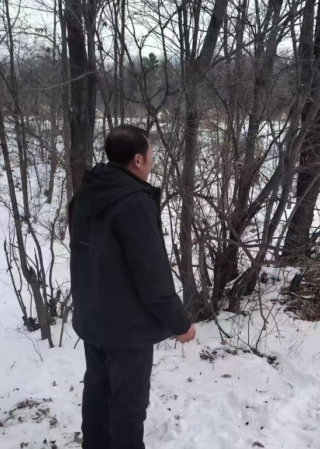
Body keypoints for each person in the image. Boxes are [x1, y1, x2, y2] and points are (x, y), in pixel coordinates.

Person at [69, 125, 196, 449]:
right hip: (127, 329)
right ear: (138, 160)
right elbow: (152, 275)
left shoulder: (87, 192)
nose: (153, 159)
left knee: (97, 394)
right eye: (150, 153)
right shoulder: (134, 202)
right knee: (127, 407)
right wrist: (180, 323)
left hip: (93, 318)